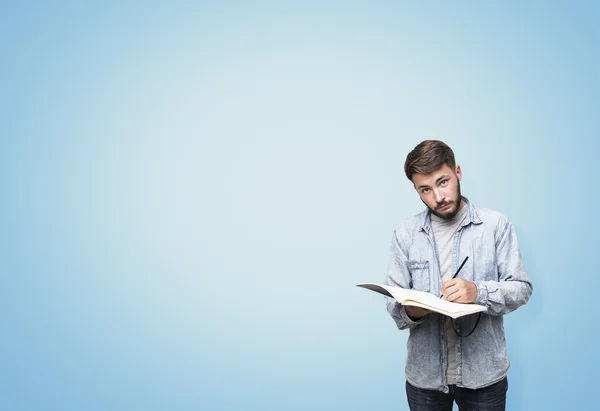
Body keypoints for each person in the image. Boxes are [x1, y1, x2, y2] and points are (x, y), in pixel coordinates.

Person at [385, 140, 532, 411]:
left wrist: (478, 292)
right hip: (425, 378)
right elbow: (395, 308)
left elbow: (521, 289)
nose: (438, 197)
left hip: (484, 376)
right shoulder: (405, 233)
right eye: (425, 190)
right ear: (415, 190)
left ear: (458, 173)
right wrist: (413, 310)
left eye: (443, 182)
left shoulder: (495, 225)